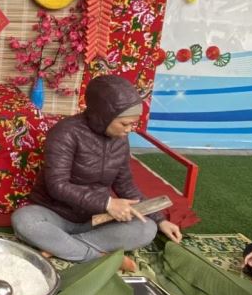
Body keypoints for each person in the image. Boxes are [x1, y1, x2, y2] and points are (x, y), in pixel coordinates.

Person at [12, 74, 182, 272]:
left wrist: (160, 220)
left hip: (95, 219)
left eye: (132, 124)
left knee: (147, 228)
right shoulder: (65, 133)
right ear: (103, 116)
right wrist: (108, 204)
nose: (129, 130)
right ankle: (95, 257)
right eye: (124, 124)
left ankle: (63, 245)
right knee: (24, 220)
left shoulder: (120, 140)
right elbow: (57, 185)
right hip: (55, 214)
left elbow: (126, 187)